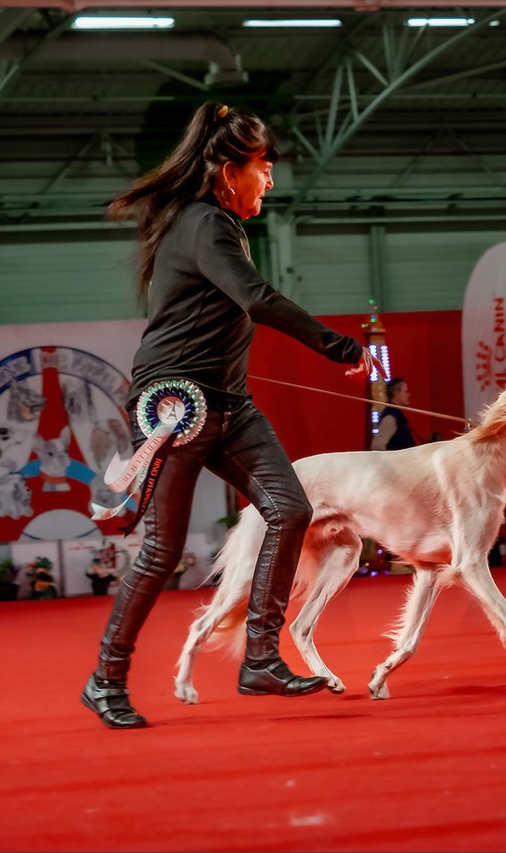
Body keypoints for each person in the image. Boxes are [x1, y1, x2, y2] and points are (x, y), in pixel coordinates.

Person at [81, 102, 382, 729]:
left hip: (229, 404)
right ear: (227, 172)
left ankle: (262, 658)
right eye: (262, 168)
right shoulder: (203, 224)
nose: (269, 180)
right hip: (175, 407)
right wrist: (340, 347)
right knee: (161, 550)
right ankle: (106, 678)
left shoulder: (215, 225)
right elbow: (256, 298)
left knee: (291, 508)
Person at [370, 377, 417, 451]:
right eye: (405, 391)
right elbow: (377, 446)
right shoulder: (391, 417)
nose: (408, 395)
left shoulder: (397, 416)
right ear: (396, 393)